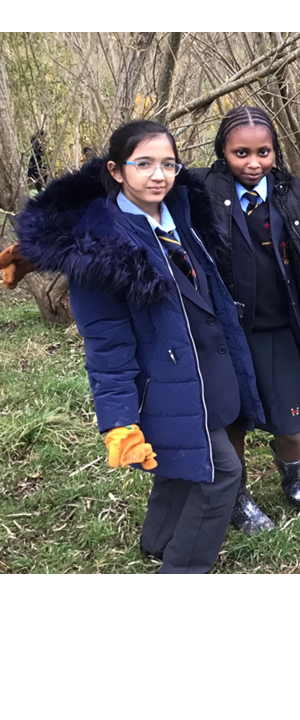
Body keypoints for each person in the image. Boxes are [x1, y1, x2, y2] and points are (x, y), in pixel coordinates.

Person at [14, 120, 262, 573]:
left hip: (210, 371)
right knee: (221, 473)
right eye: (143, 164)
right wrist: (119, 422)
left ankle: (157, 541)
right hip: (166, 387)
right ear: (115, 170)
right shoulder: (100, 250)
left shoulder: (182, 214)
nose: (158, 175)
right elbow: (106, 347)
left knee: (178, 466)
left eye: (168, 164)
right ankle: (183, 570)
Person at [188, 106, 300, 533]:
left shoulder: (294, 195)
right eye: (240, 152)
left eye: (263, 152)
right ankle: (237, 499)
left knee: (292, 421)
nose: (253, 163)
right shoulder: (200, 190)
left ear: (275, 152)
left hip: (280, 327)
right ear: (222, 152)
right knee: (233, 420)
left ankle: (295, 486)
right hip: (226, 334)